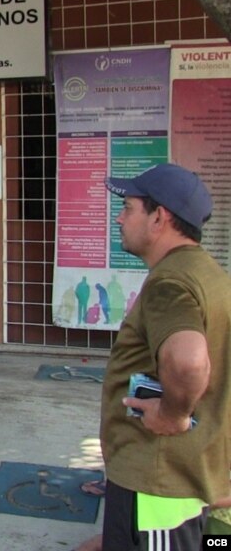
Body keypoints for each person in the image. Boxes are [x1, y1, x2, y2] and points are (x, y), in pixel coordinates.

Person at [98, 163, 230, 549]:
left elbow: (189, 361)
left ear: (160, 217)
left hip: (157, 485)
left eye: (129, 207)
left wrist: (172, 414)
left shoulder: (170, 282)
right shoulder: (207, 275)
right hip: (177, 476)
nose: (119, 218)